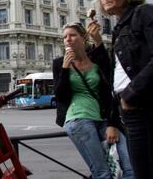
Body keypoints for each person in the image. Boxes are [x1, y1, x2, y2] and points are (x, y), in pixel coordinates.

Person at [53, 22, 134, 178]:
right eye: (64, 37)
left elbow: (109, 90)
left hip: (103, 118)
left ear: (83, 38)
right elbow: (60, 96)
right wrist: (64, 68)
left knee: (130, 168)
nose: (67, 39)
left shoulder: (96, 60)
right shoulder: (59, 63)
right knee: (102, 173)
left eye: (72, 35)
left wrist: (112, 123)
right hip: (78, 120)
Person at [96, 0, 153, 178]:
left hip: (144, 105)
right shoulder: (118, 29)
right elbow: (115, 77)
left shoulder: (143, 13)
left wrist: (130, 94)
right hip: (129, 110)